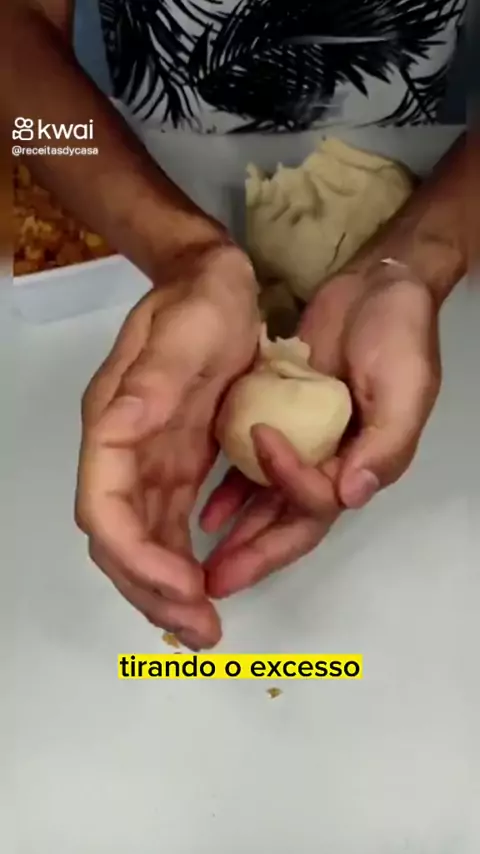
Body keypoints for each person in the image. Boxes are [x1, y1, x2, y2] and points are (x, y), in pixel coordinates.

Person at [2, 1, 467, 650]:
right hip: (137, 154)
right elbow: (14, 33)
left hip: (428, 144)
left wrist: (431, 244)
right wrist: (180, 250)